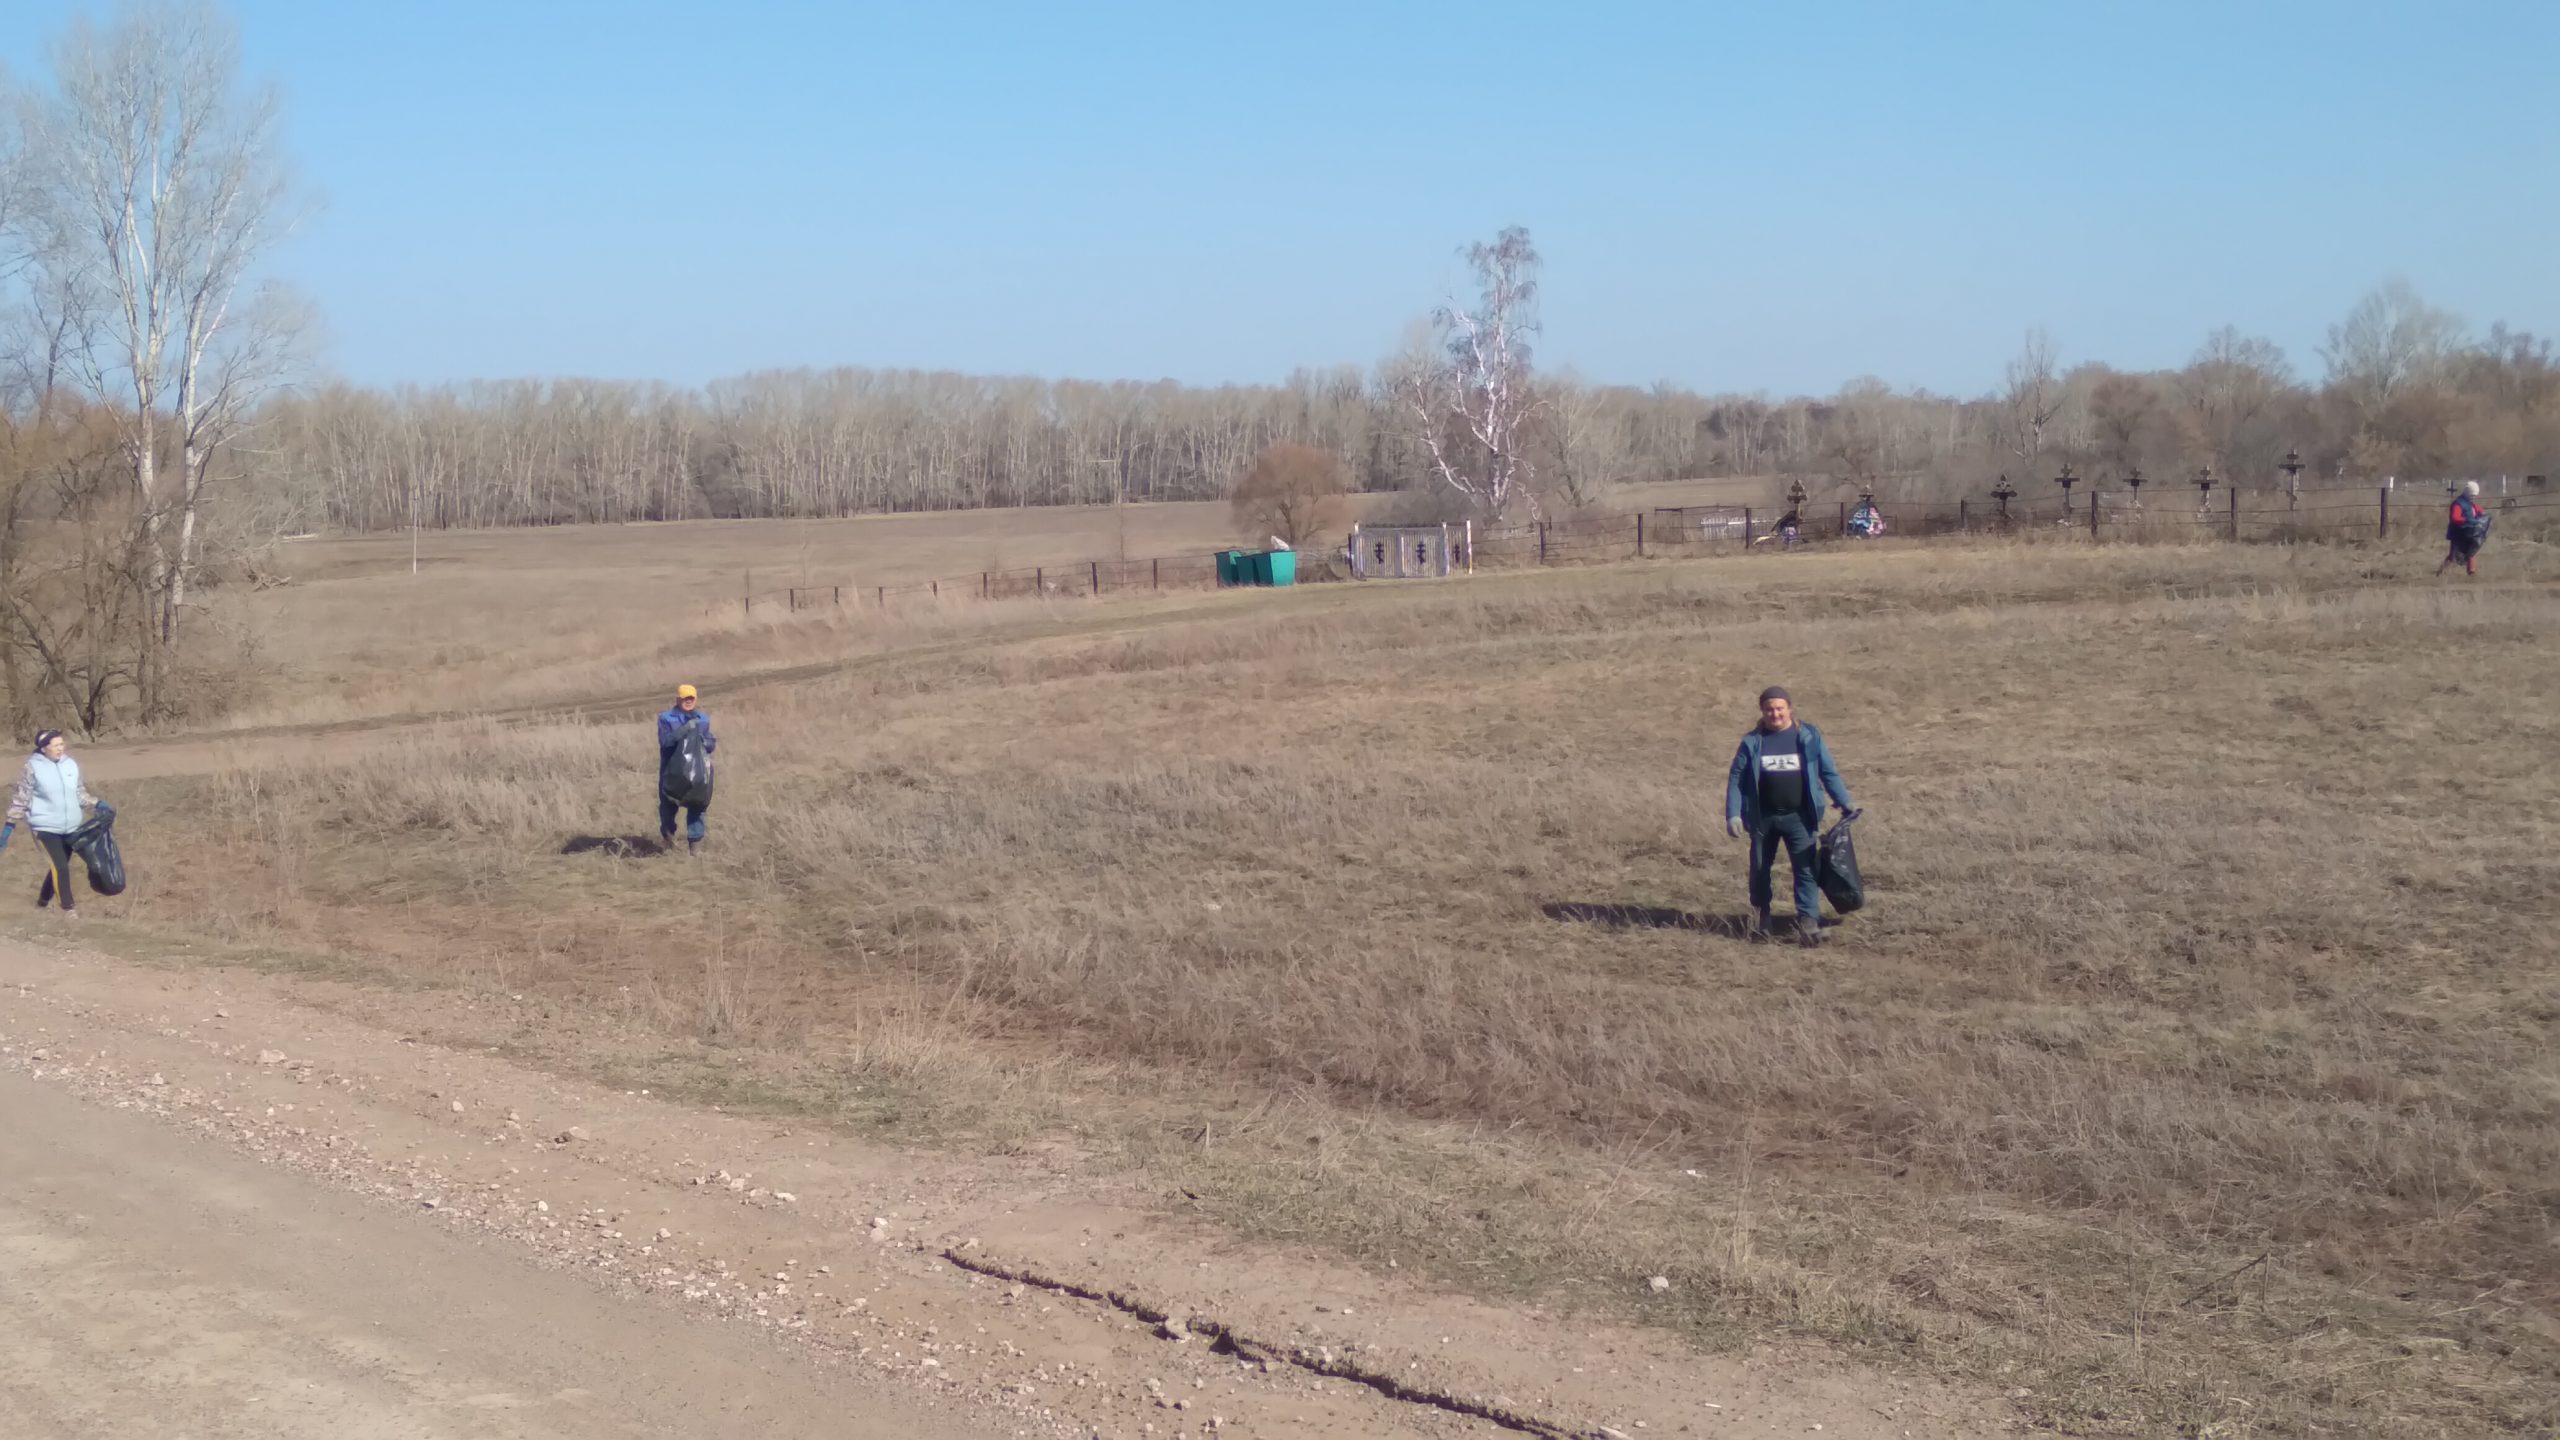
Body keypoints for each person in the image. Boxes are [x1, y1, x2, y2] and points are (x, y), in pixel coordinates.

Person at [1724, 688, 1854, 946]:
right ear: (1762, 711)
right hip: (1763, 819)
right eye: (1769, 709)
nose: (1775, 713)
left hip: (1800, 817)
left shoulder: (1807, 737)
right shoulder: (1752, 742)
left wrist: (1843, 800)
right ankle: (1761, 922)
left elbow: (1827, 772)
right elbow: (1736, 779)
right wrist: (1733, 815)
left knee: (1806, 870)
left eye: (1779, 708)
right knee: (1760, 871)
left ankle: (1808, 923)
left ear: (1789, 708)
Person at [3, 730, 97, 919]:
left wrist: (97, 803)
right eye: (55, 745)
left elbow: (79, 793)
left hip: (71, 827)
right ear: (44, 748)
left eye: (61, 744)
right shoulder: (33, 767)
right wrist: (9, 824)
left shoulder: (70, 764)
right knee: (60, 866)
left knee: (57, 867)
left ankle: (42, 904)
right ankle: (68, 910)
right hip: (44, 828)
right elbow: (22, 797)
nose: (60, 749)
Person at [656, 684, 717, 854]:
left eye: (691, 698)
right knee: (668, 807)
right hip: (672, 772)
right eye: (685, 698)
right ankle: (668, 838)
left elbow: (711, 742)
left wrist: (708, 743)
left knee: (697, 806)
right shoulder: (666, 718)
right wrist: (682, 731)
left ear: (696, 699)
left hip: (698, 772)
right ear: (678, 699)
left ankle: (695, 846)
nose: (688, 701)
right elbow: (665, 742)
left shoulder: (703, 719)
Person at [2439, 481, 2491, 577]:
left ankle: (2471, 573)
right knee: (2453, 556)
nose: (2473, 497)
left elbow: (2478, 510)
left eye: (2475, 496)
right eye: (2472, 495)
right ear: (2467, 493)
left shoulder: (2470, 504)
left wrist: (2483, 515)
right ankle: (2441, 573)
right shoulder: (2458, 504)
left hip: (2469, 532)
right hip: (2458, 534)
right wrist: (2468, 521)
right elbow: (2455, 518)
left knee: (2471, 552)